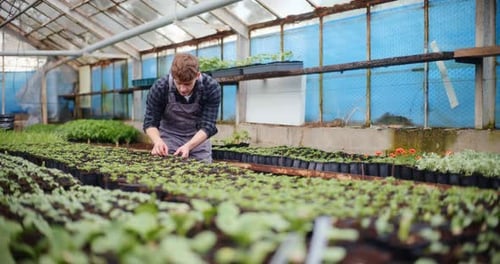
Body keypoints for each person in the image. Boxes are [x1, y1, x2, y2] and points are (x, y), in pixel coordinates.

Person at [143, 53, 221, 163]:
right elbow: (150, 122)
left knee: (202, 173)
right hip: (168, 140)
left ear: (197, 76)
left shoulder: (211, 87)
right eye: (178, 83)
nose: (183, 89)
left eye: (188, 84)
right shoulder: (160, 87)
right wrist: (157, 141)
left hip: (198, 141)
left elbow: (208, 125)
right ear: (172, 75)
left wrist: (188, 146)